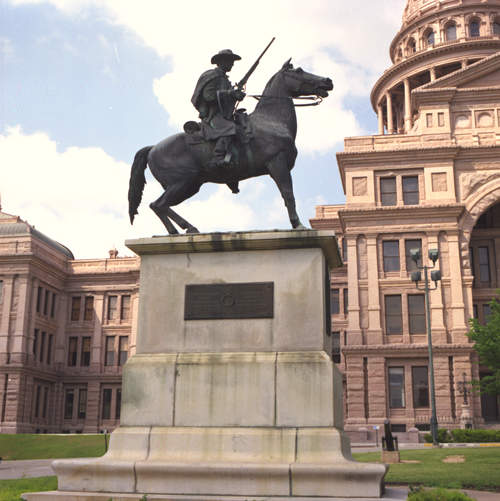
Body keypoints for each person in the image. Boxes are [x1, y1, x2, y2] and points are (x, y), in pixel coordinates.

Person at [191, 49, 245, 169]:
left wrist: (236, 95)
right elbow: (208, 96)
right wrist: (230, 93)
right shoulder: (212, 76)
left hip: (225, 115)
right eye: (230, 61)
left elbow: (227, 100)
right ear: (221, 61)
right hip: (213, 116)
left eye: (232, 61)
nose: (232, 64)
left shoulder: (225, 79)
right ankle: (218, 157)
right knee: (231, 128)